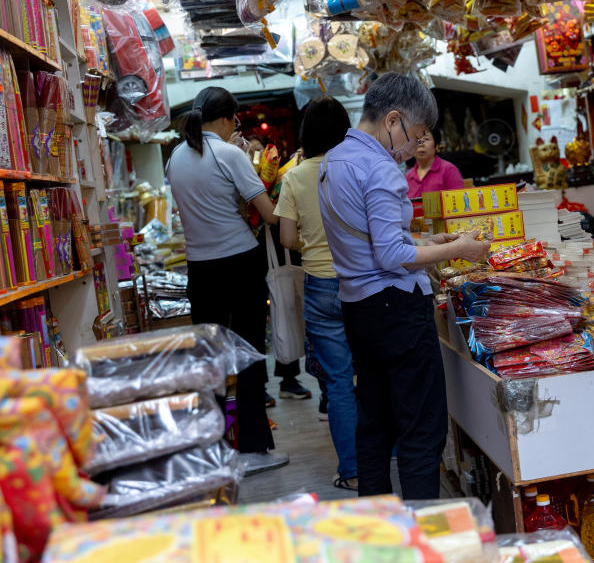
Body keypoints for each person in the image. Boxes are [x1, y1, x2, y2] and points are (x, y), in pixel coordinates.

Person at [318, 73, 490, 499]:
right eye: (414, 137)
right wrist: (462, 251)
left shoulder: (333, 159)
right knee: (421, 430)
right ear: (392, 120)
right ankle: (422, 534)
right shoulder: (380, 168)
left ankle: (380, 527)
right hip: (396, 309)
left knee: (375, 425)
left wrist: (424, 241)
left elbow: (369, 238)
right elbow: (391, 256)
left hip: (357, 308)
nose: (413, 149)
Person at [166, 86, 289, 475]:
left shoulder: (175, 158)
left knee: (211, 361)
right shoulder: (229, 153)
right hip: (240, 263)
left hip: (200, 270)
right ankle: (253, 446)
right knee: (250, 353)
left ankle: (215, 452)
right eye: (234, 119)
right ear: (224, 119)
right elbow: (268, 215)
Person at [274, 97, 359, 491]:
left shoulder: (294, 176)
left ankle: (353, 470)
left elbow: (287, 237)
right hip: (365, 282)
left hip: (322, 286)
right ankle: (389, 452)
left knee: (339, 384)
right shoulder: (359, 166)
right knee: (374, 373)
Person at [405, 130, 464, 198]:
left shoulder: (449, 170)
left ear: (436, 146)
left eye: (426, 139)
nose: (421, 144)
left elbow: (459, 201)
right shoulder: (407, 177)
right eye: (417, 140)